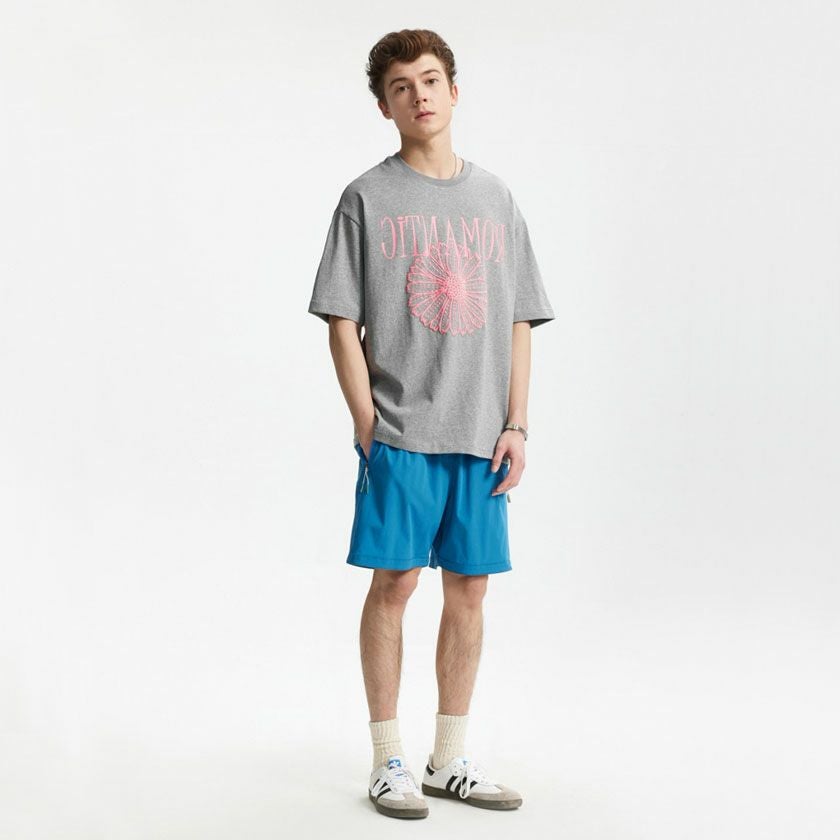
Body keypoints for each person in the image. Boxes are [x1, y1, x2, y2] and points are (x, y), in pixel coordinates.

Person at [308, 28, 555, 819]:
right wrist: (365, 419)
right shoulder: (366, 198)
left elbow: (518, 318)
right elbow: (340, 320)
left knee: (470, 590)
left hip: (481, 436)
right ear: (384, 106)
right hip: (402, 432)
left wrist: (517, 424)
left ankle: (449, 758)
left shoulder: (496, 200)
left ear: (453, 91)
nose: (419, 95)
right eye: (401, 86)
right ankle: (388, 758)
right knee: (396, 583)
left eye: (430, 80)